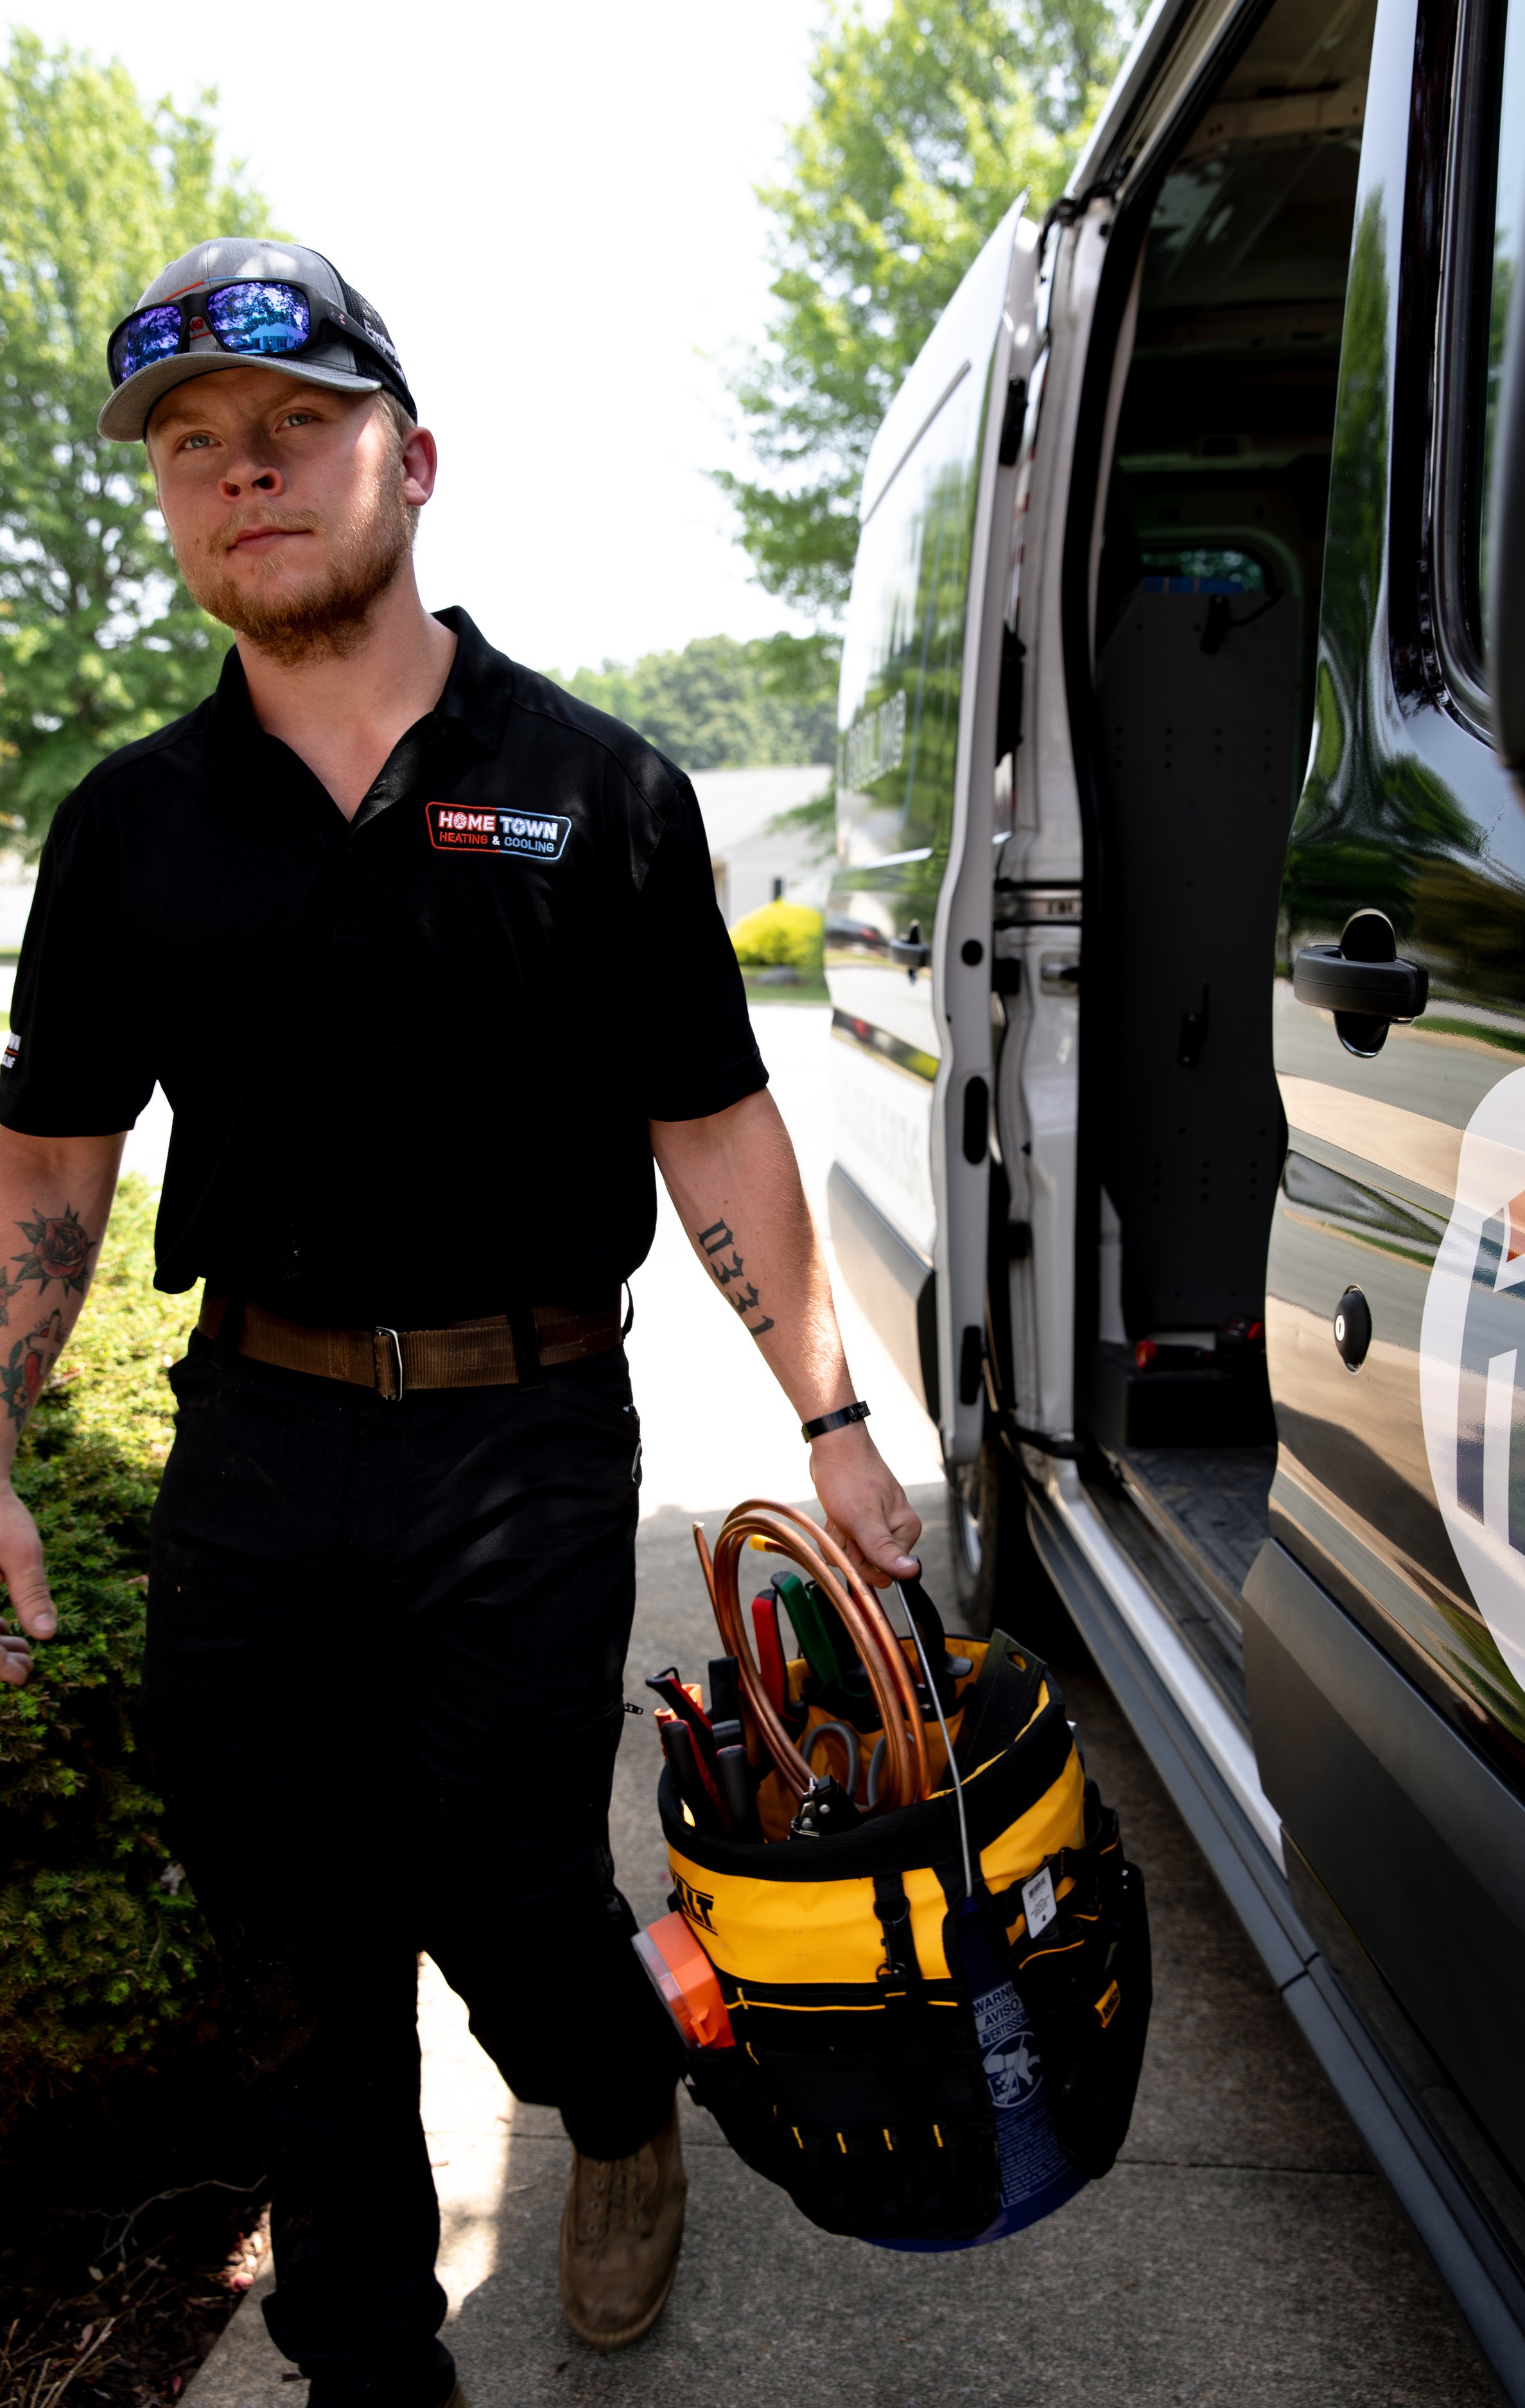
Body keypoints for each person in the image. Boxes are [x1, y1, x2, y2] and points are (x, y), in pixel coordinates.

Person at [0, 240, 921, 2408]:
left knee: (508, 1888)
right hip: (254, 1434)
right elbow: (47, 1175)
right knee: (293, 1954)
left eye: (294, 429)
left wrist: (834, 1419)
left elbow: (713, 1125)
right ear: (167, 507)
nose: (245, 479)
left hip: (521, 1433)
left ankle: (615, 2109)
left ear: (409, 460)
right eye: (195, 453)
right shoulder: (129, 827)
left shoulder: (595, 790)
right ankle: (369, 2367)